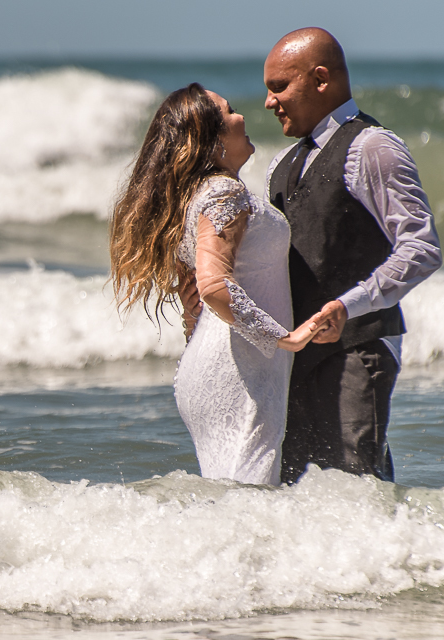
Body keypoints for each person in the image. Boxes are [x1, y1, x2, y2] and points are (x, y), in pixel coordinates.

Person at [183, 28, 442, 484]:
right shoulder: (279, 163)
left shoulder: (373, 146)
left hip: (357, 346)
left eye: (279, 86)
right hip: (290, 356)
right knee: (294, 496)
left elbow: (421, 247)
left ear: (320, 79)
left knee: (356, 489)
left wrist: (349, 305)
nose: (268, 101)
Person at [110, 83, 323, 485]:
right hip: (240, 370)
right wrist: (284, 338)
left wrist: (198, 315)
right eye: (230, 111)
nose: (242, 116)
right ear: (209, 138)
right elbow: (211, 285)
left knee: (232, 496)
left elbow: (197, 303)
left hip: (215, 364)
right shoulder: (225, 191)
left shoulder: (192, 197)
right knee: (248, 495)